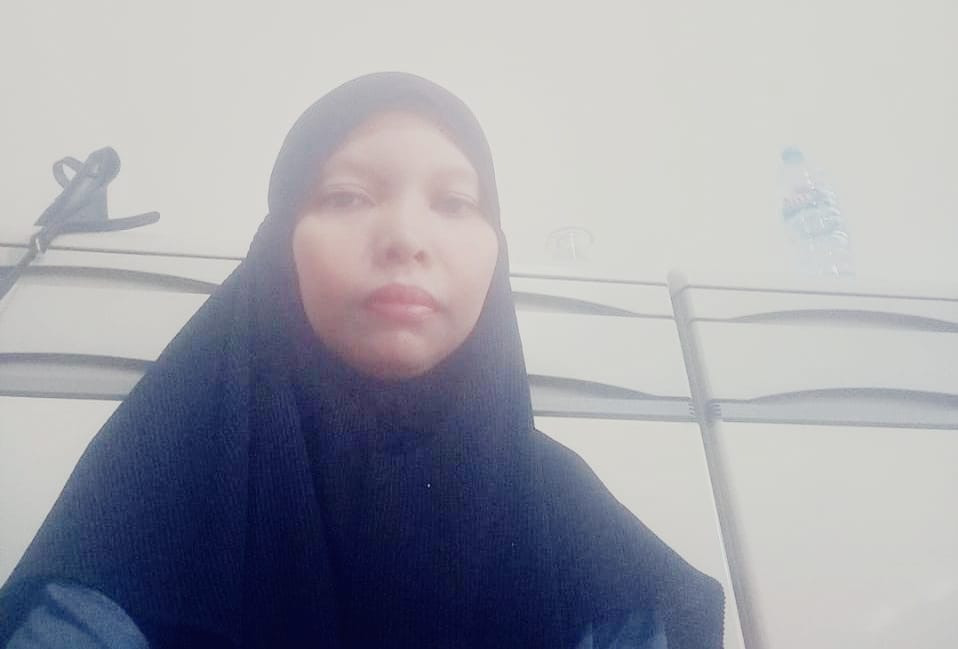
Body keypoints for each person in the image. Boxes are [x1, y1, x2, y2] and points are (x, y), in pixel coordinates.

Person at [0, 71, 724, 648]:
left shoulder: (565, 513)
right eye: (347, 196)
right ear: (279, 246)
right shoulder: (154, 486)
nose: (406, 235)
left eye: (455, 202)